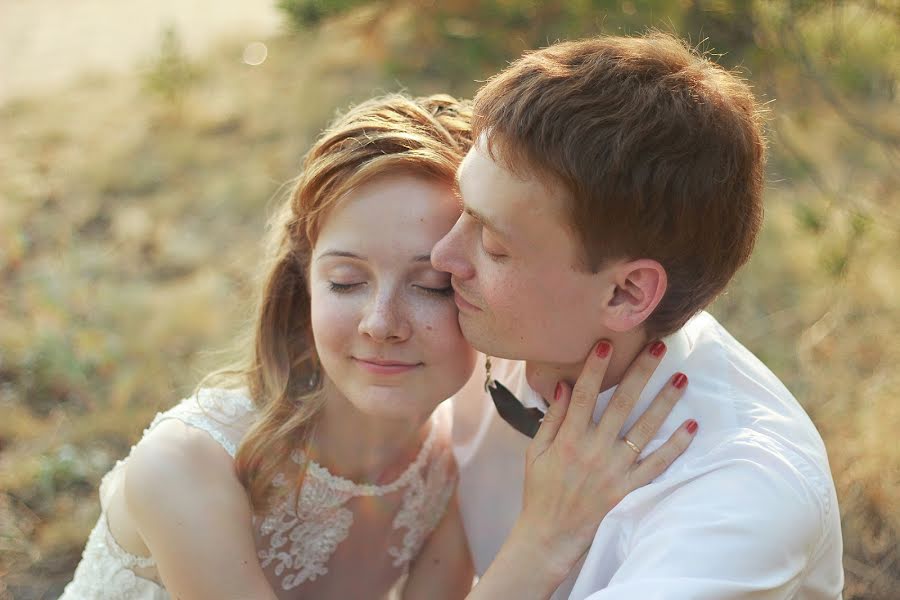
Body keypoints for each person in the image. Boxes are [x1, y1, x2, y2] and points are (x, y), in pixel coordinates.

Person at [60, 93, 696, 599]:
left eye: (431, 287)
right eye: (345, 281)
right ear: (303, 284)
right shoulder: (188, 465)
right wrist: (541, 541)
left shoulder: (447, 470)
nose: (381, 323)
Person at [434, 33, 844, 598]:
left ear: (627, 295)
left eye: (495, 246)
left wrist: (543, 544)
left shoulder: (742, 494)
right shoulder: (482, 322)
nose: (443, 257)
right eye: (463, 208)